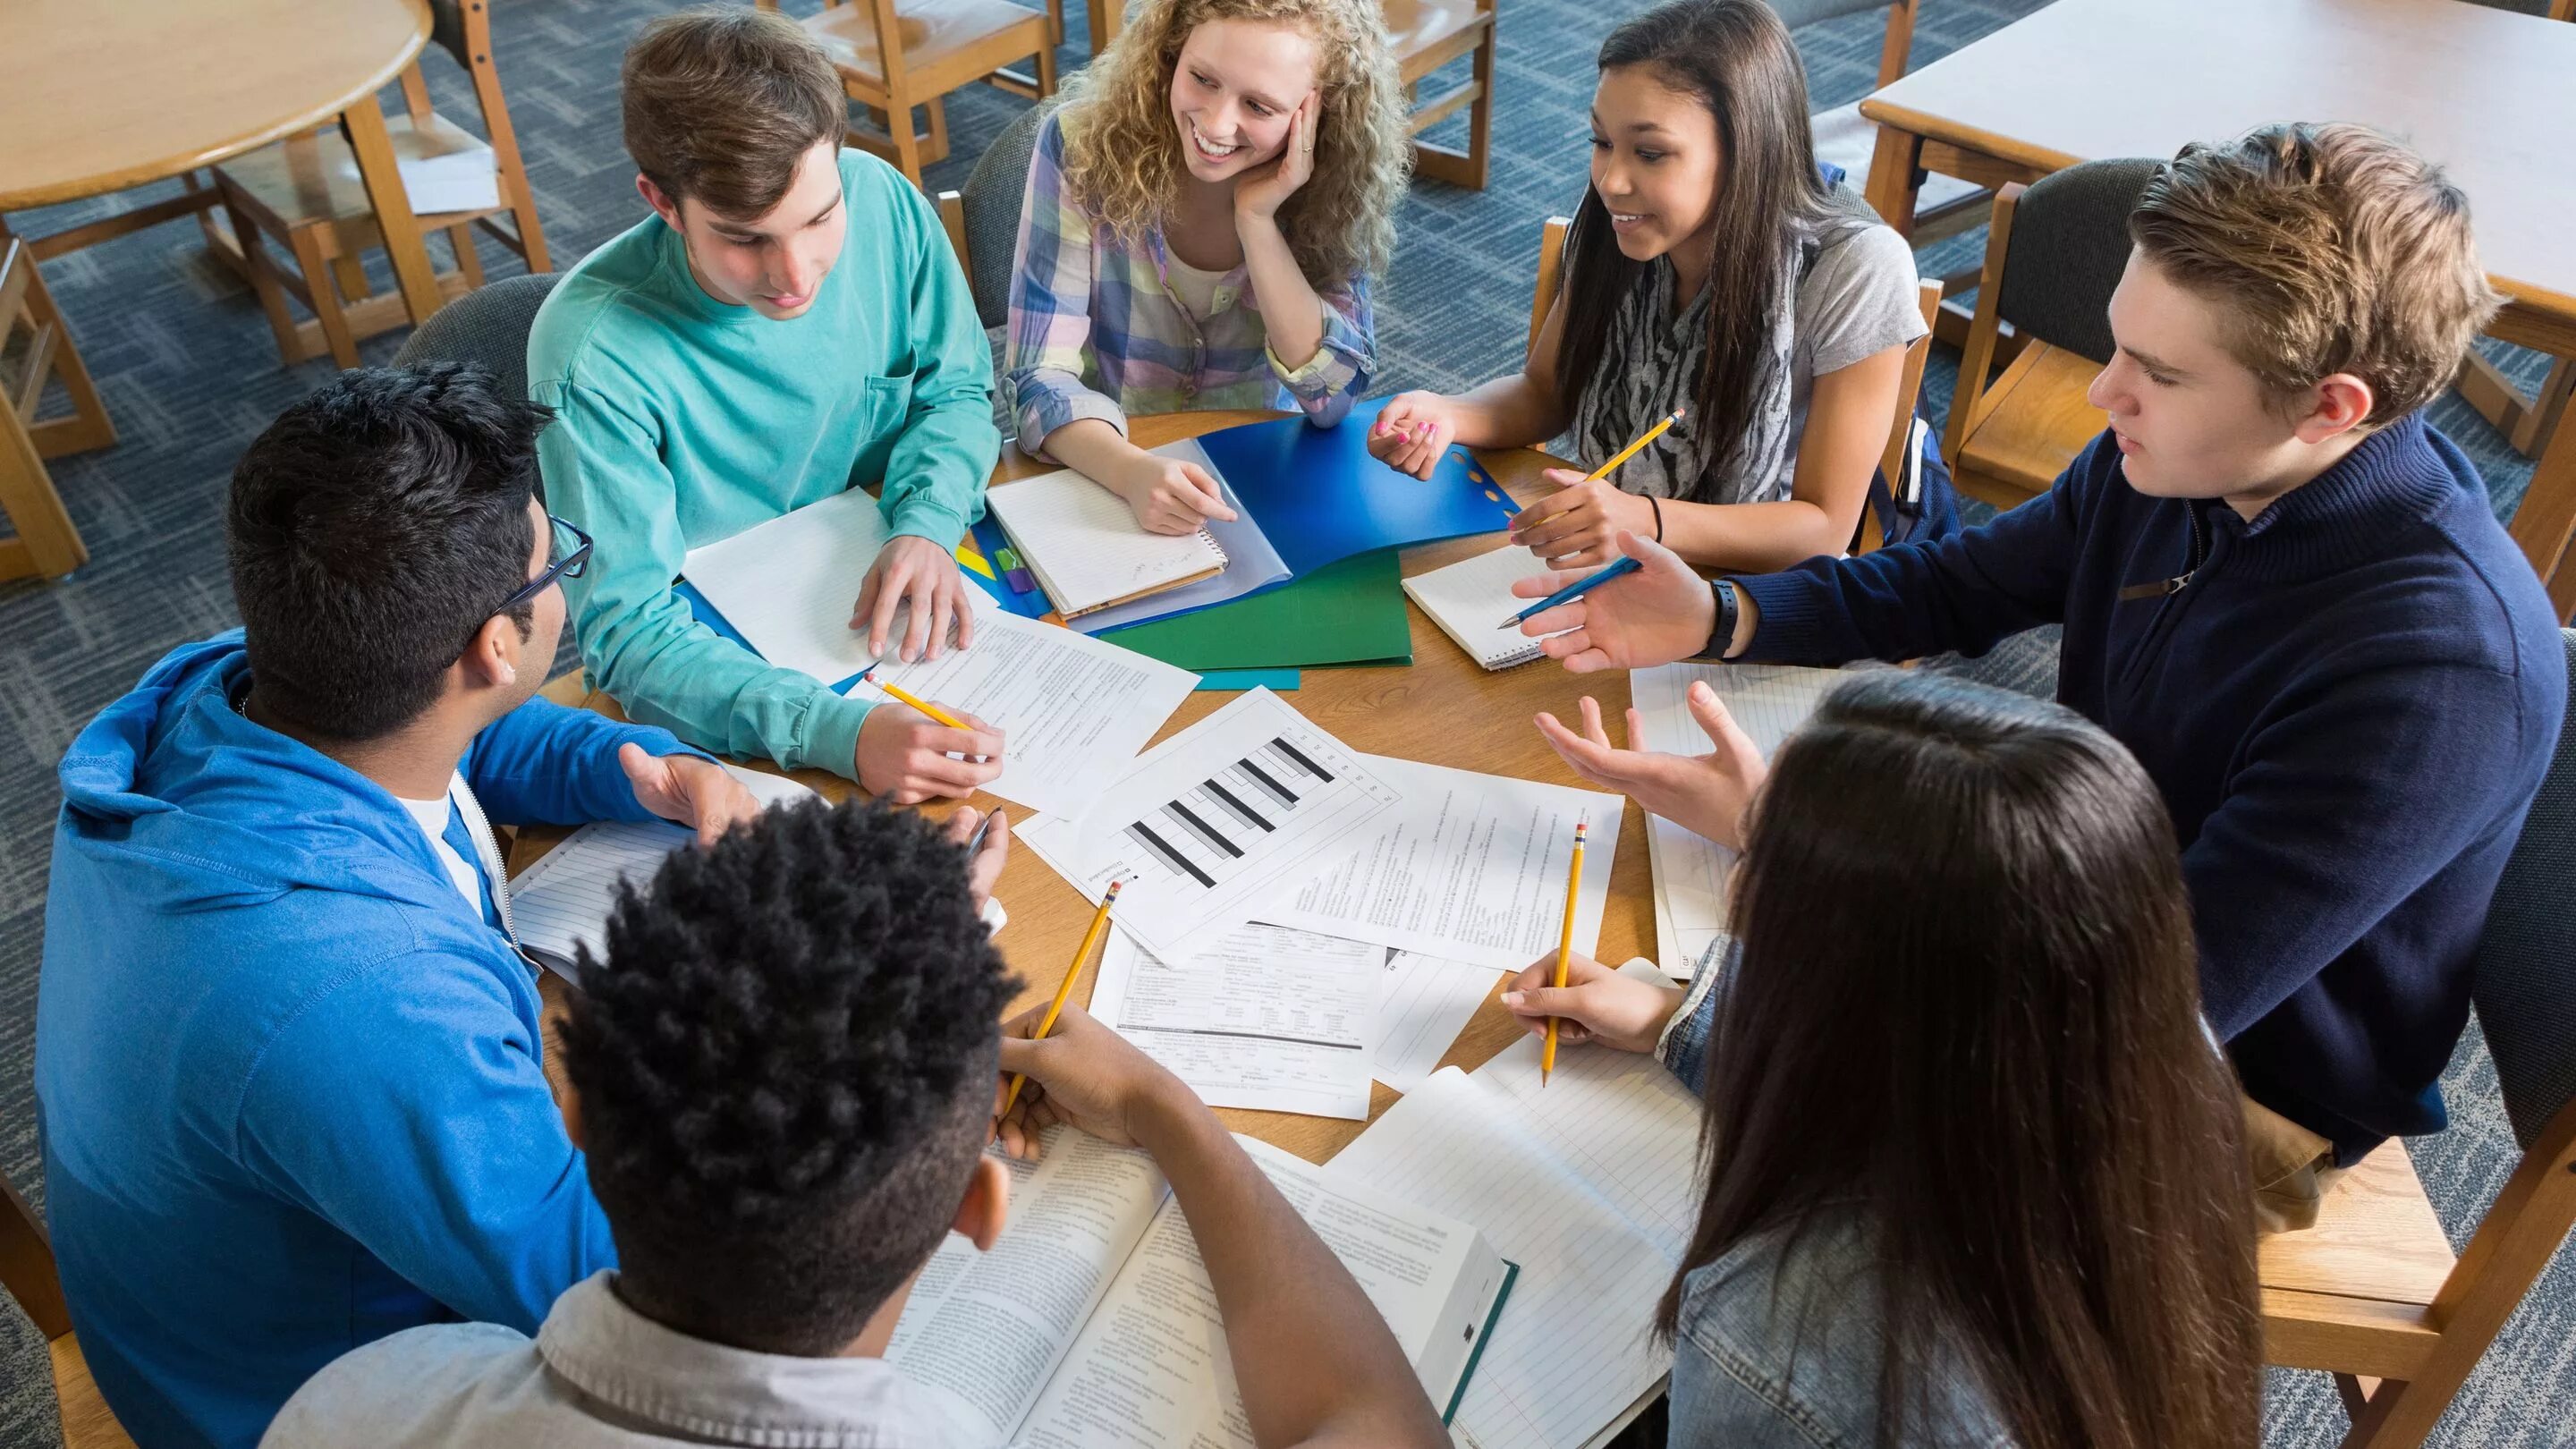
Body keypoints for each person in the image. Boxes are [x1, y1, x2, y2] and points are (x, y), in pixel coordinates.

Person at [1510, 123, 2567, 1232]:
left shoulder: (2436, 675)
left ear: (2331, 407)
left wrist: (1729, 989)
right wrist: (1724, 612)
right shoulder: (2187, 455)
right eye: (2119, 344)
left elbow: (2119, 1014)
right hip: (2078, 901)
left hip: (2226, 1078)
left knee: (1754, 1217)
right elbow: (1961, 583)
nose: (2105, 394)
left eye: (2159, 373)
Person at [37, 366, 769, 1448]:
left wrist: (631, 765)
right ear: (499, 646)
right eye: (556, 554)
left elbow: (462, 740)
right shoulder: (355, 992)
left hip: (220, 1295)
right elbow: (607, 1290)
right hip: (291, 1400)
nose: (565, 564)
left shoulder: (233, 691)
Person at [263, 800, 1450, 1449]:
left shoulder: (360, 1401)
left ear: (572, 1117)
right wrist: (1165, 1111)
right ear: (979, 1210)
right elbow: (1373, 1423)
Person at [1501, 672, 2262, 1448]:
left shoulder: (1781, 1347)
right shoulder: (2151, 1051)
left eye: (1753, 868)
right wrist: (1677, 1019)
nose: (1736, 887)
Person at [530, 6, 1005, 802]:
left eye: (819, 219)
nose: (796, 275)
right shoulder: (590, 358)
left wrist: (927, 522)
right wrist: (833, 735)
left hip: (908, 606)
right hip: (724, 687)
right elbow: (627, 631)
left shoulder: (884, 199)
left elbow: (955, 390)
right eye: (747, 239)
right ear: (662, 202)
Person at [1366, 0, 1927, 572]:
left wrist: (1643, 519)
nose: (1611, 182)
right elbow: (1545, 392)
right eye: (1601, 141)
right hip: (1609, 545)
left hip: (1750, 592)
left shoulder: (1855, 268)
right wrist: (1450, 414)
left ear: (1747, 149)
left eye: (1650, 153)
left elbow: (1823, 529)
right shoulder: (1624, 225)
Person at [1006, 0, 1411, 534]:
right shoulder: (1082, 147)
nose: (1217, 123)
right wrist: (1130, 471)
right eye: (1201, 78)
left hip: (1258, 476)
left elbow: (1333, 398)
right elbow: (1038, 379)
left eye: (1260, 107)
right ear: (1171, 53)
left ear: (1315, 114)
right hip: (1108, 463)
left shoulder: (1331, 188)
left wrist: (1258, 221)